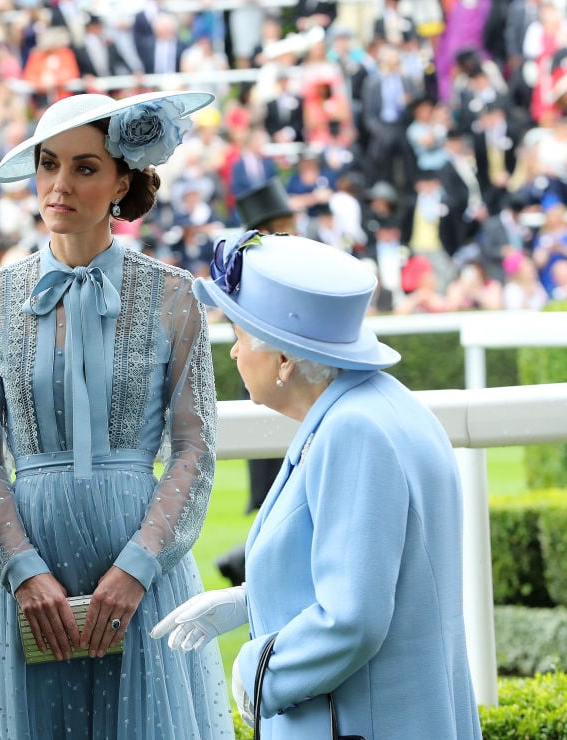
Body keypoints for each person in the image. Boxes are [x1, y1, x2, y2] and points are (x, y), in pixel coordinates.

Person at [0, 90, 233, 739]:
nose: (58, 184)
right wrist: (22, 570)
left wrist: (138, 567)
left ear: (121, 182)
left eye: (84, 167)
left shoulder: (175, 296)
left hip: (144, 563)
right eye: (48, 163)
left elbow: (195, 448)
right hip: (34, 569)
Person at [152, 232, 483, 739]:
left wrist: (257, 673)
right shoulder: (378, 405)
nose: (236, 351)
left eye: (240, 335)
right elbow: (368, 571)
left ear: (284, 360)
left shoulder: (354, 430)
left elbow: (352, 619)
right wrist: (251, 599)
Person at [214, 177, 296, 585]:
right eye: (285, 223)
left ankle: (243, 561)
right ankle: (246, 563)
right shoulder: (253, 274)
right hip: (279, 391)